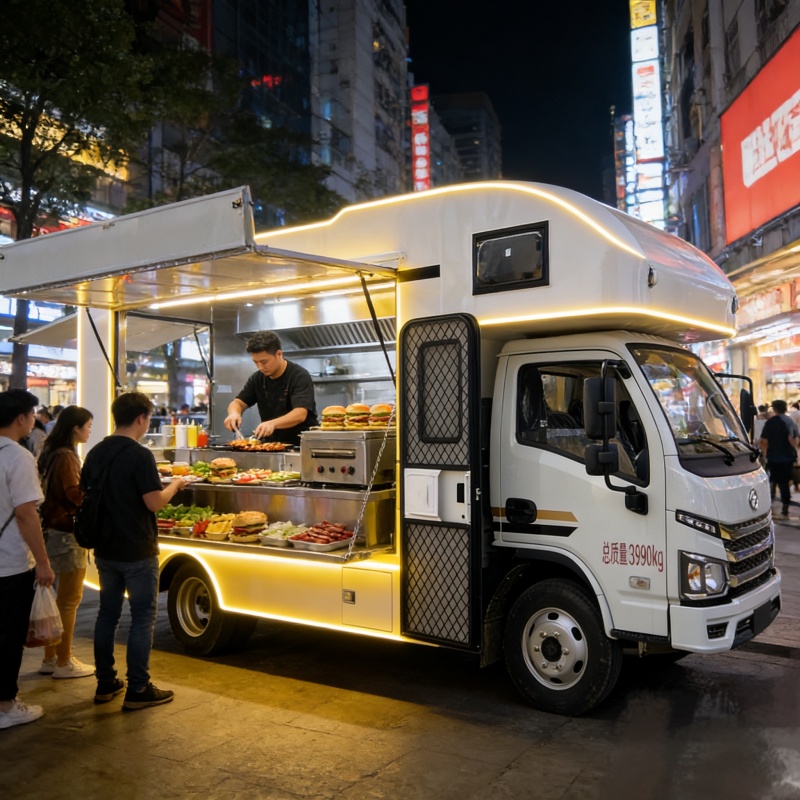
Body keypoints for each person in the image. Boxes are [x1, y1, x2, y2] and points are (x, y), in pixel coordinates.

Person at [82, 391, 187, 710]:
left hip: (104, 548)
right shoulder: (140, 455)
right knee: (143, 617)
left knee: (107, 614)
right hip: (137, 549)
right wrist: (176, 485)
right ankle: (138, 688)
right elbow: (153, 502)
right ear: (141, 418)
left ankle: (105, 683)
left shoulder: (95, 452)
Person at [0, 389, 55, 730]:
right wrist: (43, 562)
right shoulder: (17, 458)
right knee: (7, 636)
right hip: (9, 564)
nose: (34, 419)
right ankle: (5, 705)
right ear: (21, 417)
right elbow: (26, 514)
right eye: (33, 414)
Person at [37, 405, 95, 679]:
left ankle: (50, 658)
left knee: (55, 598)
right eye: (88, 425)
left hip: (50, 531)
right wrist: (94, 497)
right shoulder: (68, 457)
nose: (90, 430)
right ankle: (64, 661)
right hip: (67, 533)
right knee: (69, 599)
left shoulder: (50, 452)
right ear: (76, 428)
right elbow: (74, 494)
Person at [224, 330, 318, 444]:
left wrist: (272, 423)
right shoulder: (257, 378)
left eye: (264, 362)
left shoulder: (299, 375)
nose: (260, 367)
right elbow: (238, 402)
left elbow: (300, 414)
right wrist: (234, 413)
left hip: (300, 445)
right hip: (271, 444)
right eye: (255, 362)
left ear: (279, 354)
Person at [759, 399, 800, 517]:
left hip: (774, 457)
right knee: (784, 482)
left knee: (772, 480)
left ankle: (769, 506)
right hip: (788, 457)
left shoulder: (771, 422)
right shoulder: (790, 421)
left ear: (774, 409)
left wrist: (765, 455)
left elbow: (764, 441)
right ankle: (785, 506)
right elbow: (796, 439)